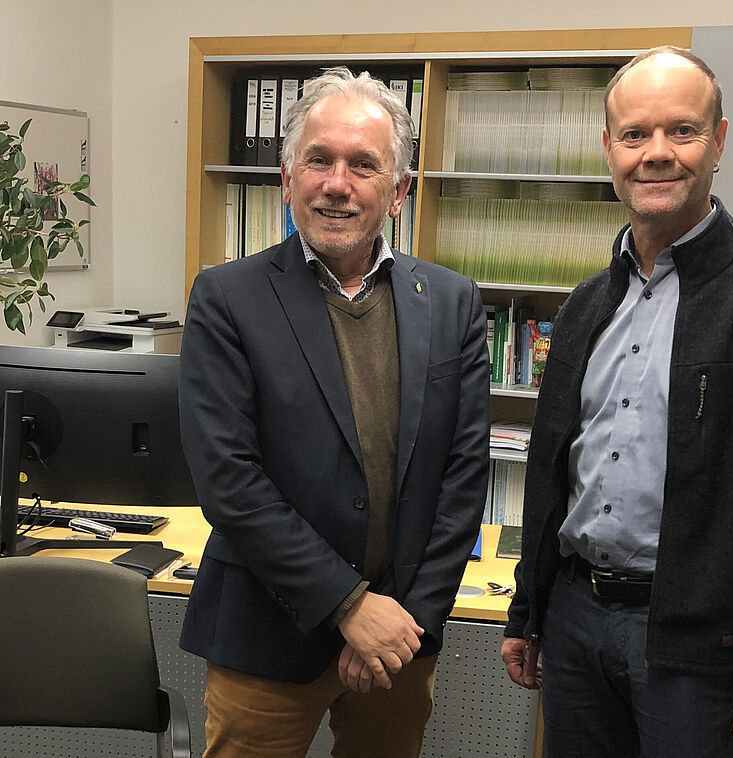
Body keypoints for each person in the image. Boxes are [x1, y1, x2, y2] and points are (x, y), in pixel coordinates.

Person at [501, 47, 733, 757]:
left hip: (697, 645)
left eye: (682, 131)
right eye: (635, 135)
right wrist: (529, 610)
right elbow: (551, 474)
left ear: (719, 140)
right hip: (573, 622)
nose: (656, 154)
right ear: (609, 149)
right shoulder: (583, 308)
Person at [178, 66, 490, 758]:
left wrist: (405, 617)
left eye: (362, 164)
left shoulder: (454, 302)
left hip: (399, 641)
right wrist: (350, 606)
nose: (336, 183)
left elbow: (463, 478)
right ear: (287, 180)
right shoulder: (227, 298)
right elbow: (230, 483)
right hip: (266, 634)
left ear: (399, 191)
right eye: (317, 160)